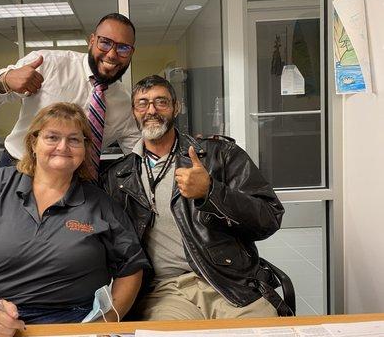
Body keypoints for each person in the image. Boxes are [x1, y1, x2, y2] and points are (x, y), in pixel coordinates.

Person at [0, 103, 149, 337]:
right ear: (33, 143)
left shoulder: (102, 204)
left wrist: (103, 324)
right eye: (52, 137)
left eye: (74, 139)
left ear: (85, 149)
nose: (63, 147)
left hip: (64, 318)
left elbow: (131, 270)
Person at [101, 75, 287, 320]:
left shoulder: (221, 155)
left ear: (176, 107)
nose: (152, 110)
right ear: (134, 112)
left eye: (161, 102)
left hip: (228, 284)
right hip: (165, 292)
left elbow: (269, 218)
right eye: (143, 103)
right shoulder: (117, 177)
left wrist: (211, 192)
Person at [0, 13, 141, 175]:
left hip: (74, 182)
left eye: (123, 48)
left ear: (131, 53)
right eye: (105, 43)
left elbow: (138, 153)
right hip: (18, 168)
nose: (112, 54)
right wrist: (6, 80)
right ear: (91, 41)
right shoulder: (49, 64)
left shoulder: (124, 102)